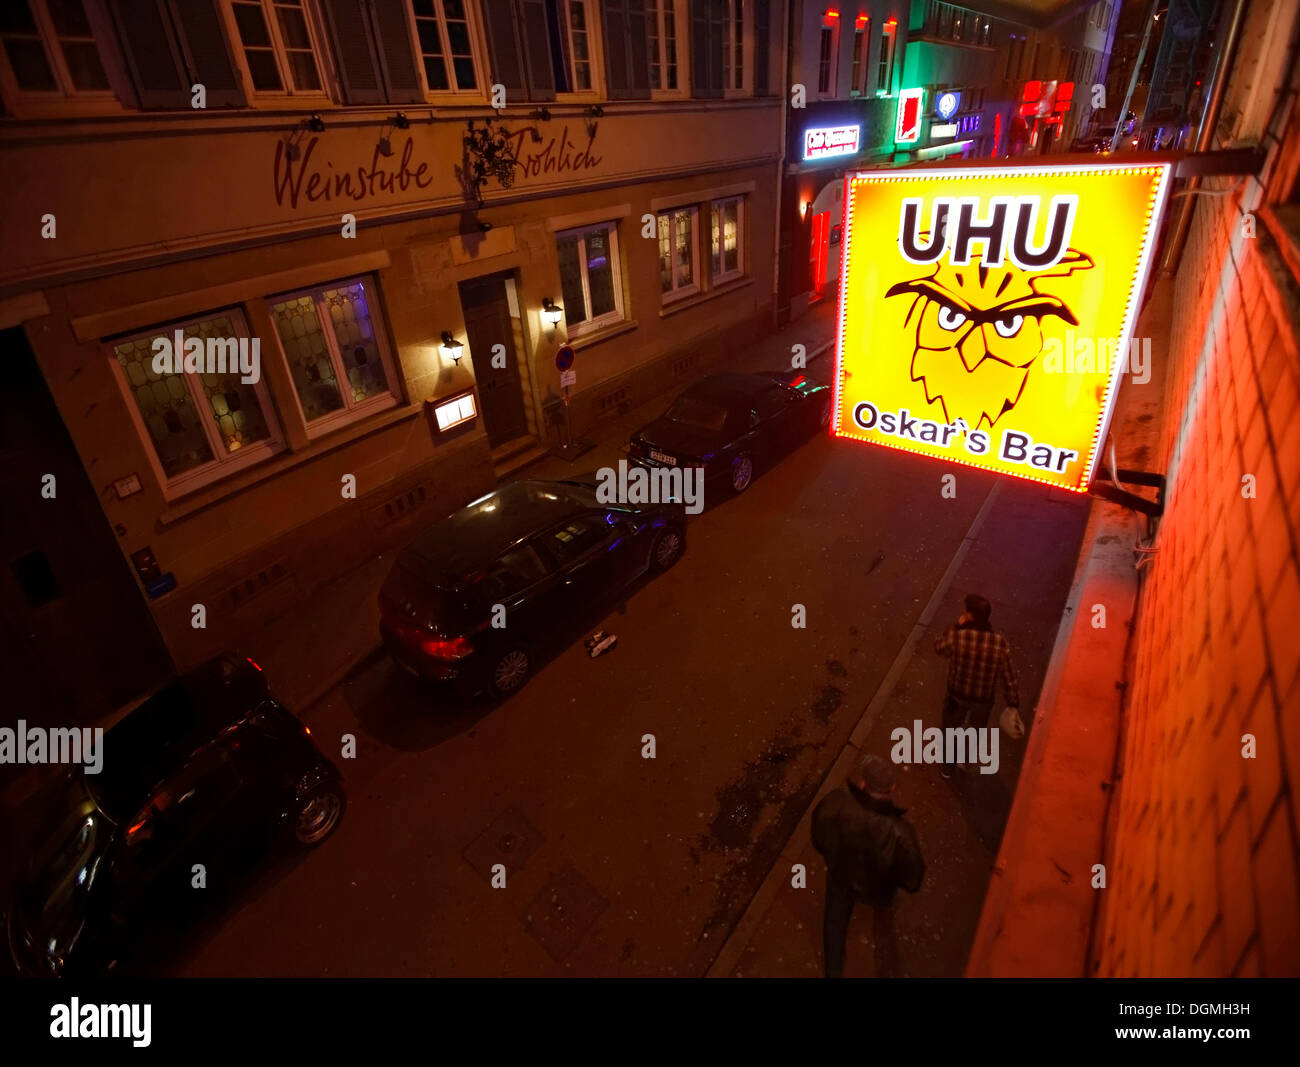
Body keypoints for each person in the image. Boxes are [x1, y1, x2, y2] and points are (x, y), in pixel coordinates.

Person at [811, 754, 924, 978]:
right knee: (883, 919)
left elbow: (818, 836)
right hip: (877, 890)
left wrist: (834, 858)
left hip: (840, 879)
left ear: (863, 784)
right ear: (892, 788)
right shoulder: (901, 834)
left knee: (834, 924)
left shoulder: (836, 803)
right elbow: (913, 881)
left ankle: (833, 972)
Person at [934, 593, 1020, 777]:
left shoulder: (959, 637)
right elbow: (1008, 676)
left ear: (970, 616)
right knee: (975, 729)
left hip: (957, 695)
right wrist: (1013, 702)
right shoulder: (999, 644)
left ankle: (947, 767)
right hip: (983, 700)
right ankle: (964, 760)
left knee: (950, 729)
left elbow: (939, 647)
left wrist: (956, 625)